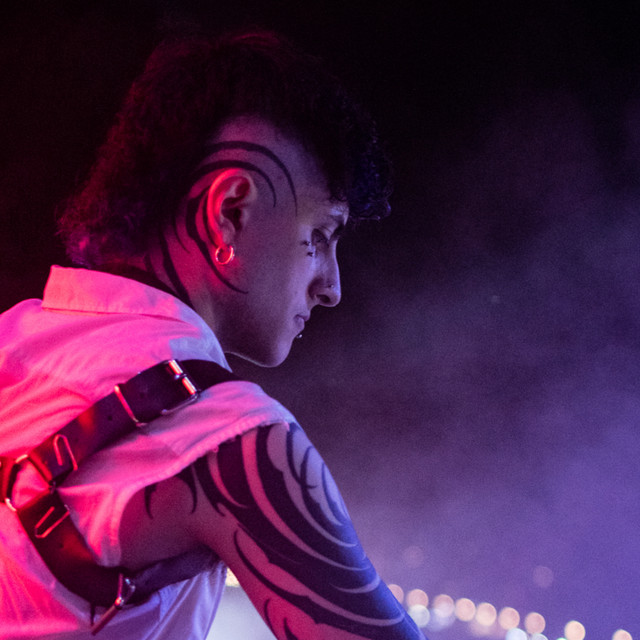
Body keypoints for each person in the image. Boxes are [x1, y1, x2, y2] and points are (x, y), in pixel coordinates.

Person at [0, 30, 422, 640]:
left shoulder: (12, 339)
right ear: (230, 212)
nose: (331, 286)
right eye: (319, 236)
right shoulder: (234, 441)